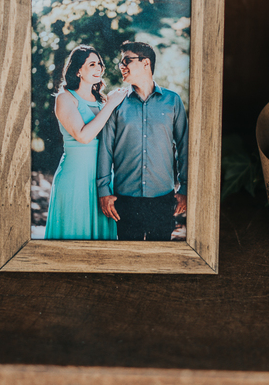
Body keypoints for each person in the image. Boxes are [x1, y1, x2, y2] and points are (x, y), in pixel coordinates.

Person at [97, 41, 189, 241]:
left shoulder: (173, 101)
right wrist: (103, 190)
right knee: (129, 256)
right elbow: (105, 149)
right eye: (121, 62)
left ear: (146, 63)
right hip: (125, 200)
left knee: (160, 256)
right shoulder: (116, 103)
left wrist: (185, 187)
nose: (121, 66)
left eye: (126, 61)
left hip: (163, 200)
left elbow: (185, 147)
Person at [45, 45, 129, 240]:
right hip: (75, 178)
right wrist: (111, 104)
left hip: (103, 180)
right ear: (78, 70)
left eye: (99, 64)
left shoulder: (102, 102)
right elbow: (83, 136)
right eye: (92, 64)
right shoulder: (65, 98)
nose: (98, 68)